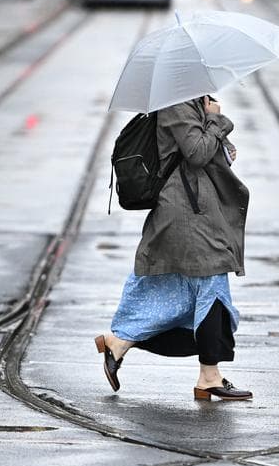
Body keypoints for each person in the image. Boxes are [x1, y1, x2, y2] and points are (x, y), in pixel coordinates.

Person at [95, 95, 252, 401]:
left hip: (196, 210)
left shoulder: (190, 100)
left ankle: (120, 342)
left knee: (194, 287)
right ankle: (208, 376)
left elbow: (205, 151)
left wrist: (219, 136)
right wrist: (216, 120)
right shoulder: (176, 103)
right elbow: (195, 152)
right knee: (212, 281)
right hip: (186, 212)